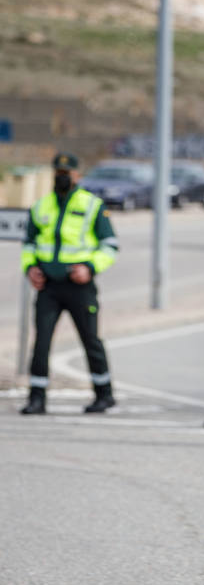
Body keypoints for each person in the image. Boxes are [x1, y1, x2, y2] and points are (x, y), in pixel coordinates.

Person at [19, 153, 118, 415]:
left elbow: (110, 246)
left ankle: (104, 394)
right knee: (41, 342)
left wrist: (91, 268)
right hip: (49, 286)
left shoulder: (92, 205)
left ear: (77, 175)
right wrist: (30, 269)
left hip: (79, 286)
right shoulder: (41, 206)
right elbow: (29, 243)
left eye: (67, 172)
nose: (62, 176)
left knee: (90, 340)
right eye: (58, 172)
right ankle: (36, 398)